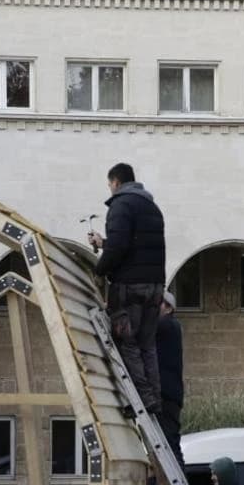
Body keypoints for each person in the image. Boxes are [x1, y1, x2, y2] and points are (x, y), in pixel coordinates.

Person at [86, 163, 166, 414]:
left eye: (109, 185)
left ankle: (141, 400)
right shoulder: (151, 207)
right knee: (147, 344)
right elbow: (133, 245)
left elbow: (119, 249)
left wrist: (98, 269)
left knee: (127, 342)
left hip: (129, 288)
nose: (110, 190)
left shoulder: (120, 205)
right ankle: (154, 397)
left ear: (116, 182)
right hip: (154, 287)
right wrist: (105, 242)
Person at [156, 290, 184, 465]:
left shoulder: (167, 325)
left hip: (167, 394)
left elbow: (142, 325)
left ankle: (178, 476)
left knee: (171, 442)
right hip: (170, 393)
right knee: (169, 440)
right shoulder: (170, 326)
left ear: (168, 308)